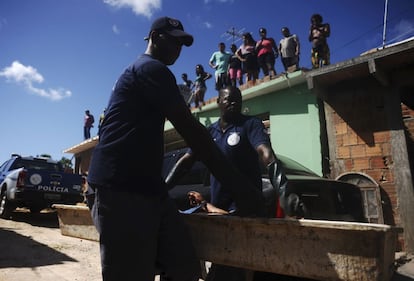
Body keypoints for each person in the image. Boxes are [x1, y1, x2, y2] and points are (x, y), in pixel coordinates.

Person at [86, 16, 263, 281]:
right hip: (119, 189)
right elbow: (194, 133)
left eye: (182, 45)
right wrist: (243, 190)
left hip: (149, 189)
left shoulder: (149, 73)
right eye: (174, 42)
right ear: (156, 38)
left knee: (183, 266)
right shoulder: (150, 70)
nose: (178, 50)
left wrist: (165, 185)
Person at [166, 85, 288, 281]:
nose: (233, 103)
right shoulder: (208, 133)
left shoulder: (251, 125)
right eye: (228, 99)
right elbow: (186, 162)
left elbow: (265, 154)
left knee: (242, 266)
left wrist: (283, 187)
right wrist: (163, 188)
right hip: (219, 214)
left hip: (245, 212)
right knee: (223, 263)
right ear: (218, 102)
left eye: (237, 100)